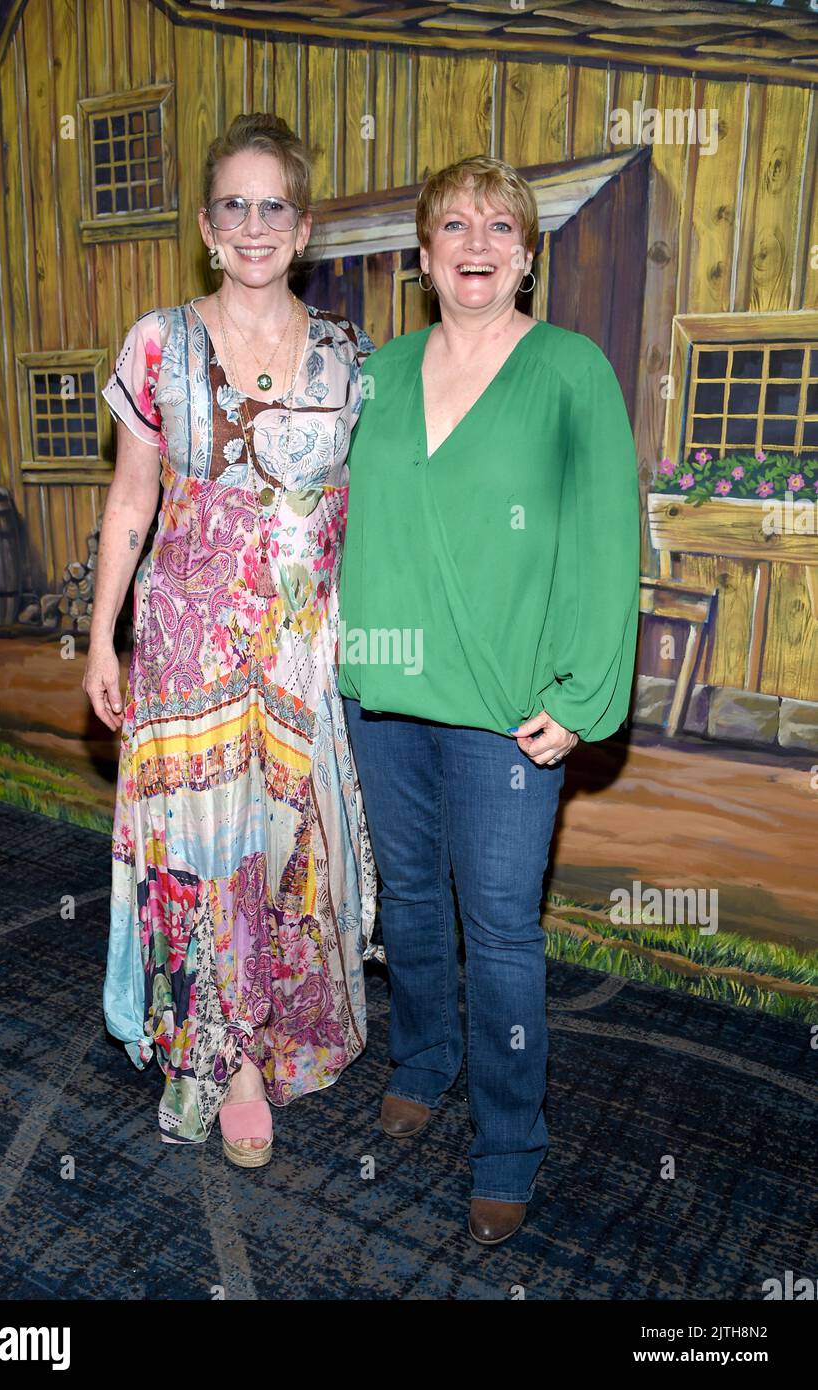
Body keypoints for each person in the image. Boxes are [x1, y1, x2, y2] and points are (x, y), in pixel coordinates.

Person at [337, 154, 640, 1243]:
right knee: (409, 902)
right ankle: (422, 1055)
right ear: (423, 255)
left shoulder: (570, 371)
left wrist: (584, 693)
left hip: (509, 710)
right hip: (383, 691)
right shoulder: (376, 372)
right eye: (454, 225)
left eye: (498, 227)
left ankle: (509, 1140)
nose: (475, 242)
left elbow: (609, 540)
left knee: (501, 930)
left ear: (525, 253)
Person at [84, 112, 376, 1164]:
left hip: (300, 649)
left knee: (288, 843)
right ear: (207, 226)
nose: (254, 224)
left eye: (274, 205)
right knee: (206, 850)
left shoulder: (348, 355)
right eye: (234, 205)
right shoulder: (157, 342)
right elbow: (129, 497)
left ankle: (281, 1018)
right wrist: (98, 637)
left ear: (301, 229)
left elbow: (374, 502)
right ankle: (227, 1054)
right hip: (184, 646)